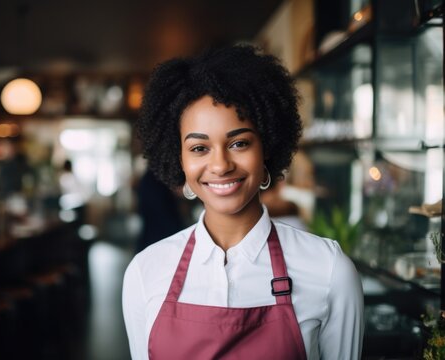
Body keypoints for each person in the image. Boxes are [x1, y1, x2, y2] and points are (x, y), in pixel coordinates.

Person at [122, 46, 364, 360]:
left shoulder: (329, 270)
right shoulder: (146, 271)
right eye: (199, 148)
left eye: (239, 143)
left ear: (267, 147)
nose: (221, 165)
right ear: (178, 158)